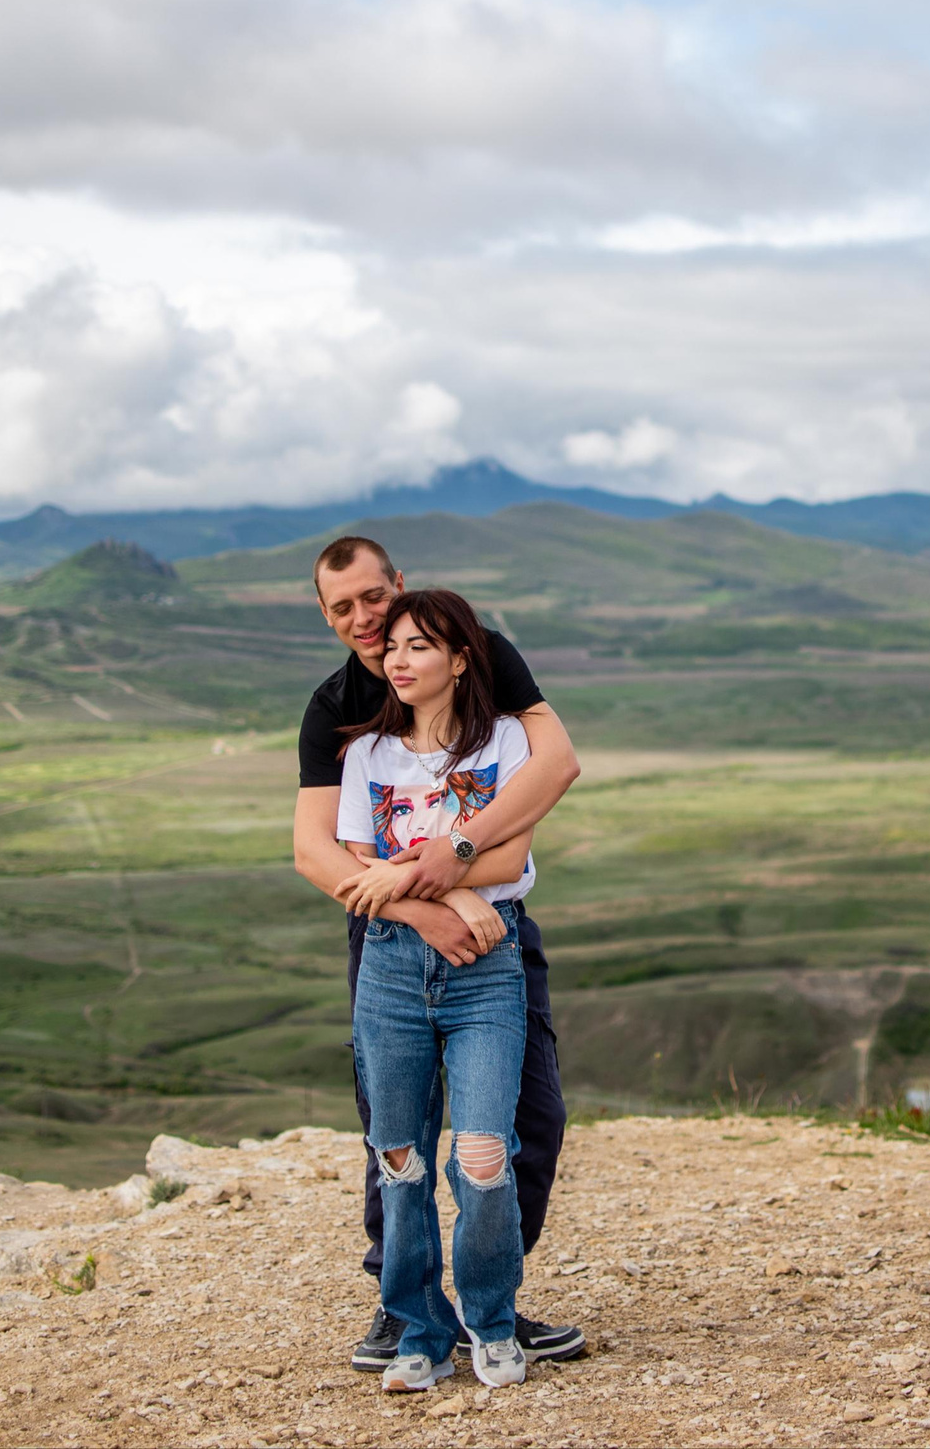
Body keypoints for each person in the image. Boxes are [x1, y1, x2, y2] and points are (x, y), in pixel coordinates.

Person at [290, 535, 586, 1371]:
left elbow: (554, 764)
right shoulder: (338, 708)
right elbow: (319, 853)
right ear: (325, 613)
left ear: (400, 586)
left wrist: (456, 856)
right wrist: (429, 904)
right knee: (396, 1128)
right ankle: (405, 1304)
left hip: (492, 923)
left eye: (374, 598)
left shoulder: (479, 653)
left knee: (528, 1116)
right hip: (390, 926)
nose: (365, 619)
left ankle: (492, 1297)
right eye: (342, 606)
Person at [337, 588, 538, 1390]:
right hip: (391, 962)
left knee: (484, 1154)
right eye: (393, 647)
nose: (398, 658)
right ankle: (420, 1330)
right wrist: (448, 895)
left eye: (420, 645)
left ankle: (490, 1319)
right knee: (400, 1157)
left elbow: (511, 855)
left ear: (461, 659)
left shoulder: (507, 743)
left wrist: (422, 880)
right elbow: (357, 873)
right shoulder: (366, 757)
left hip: (486, 967)